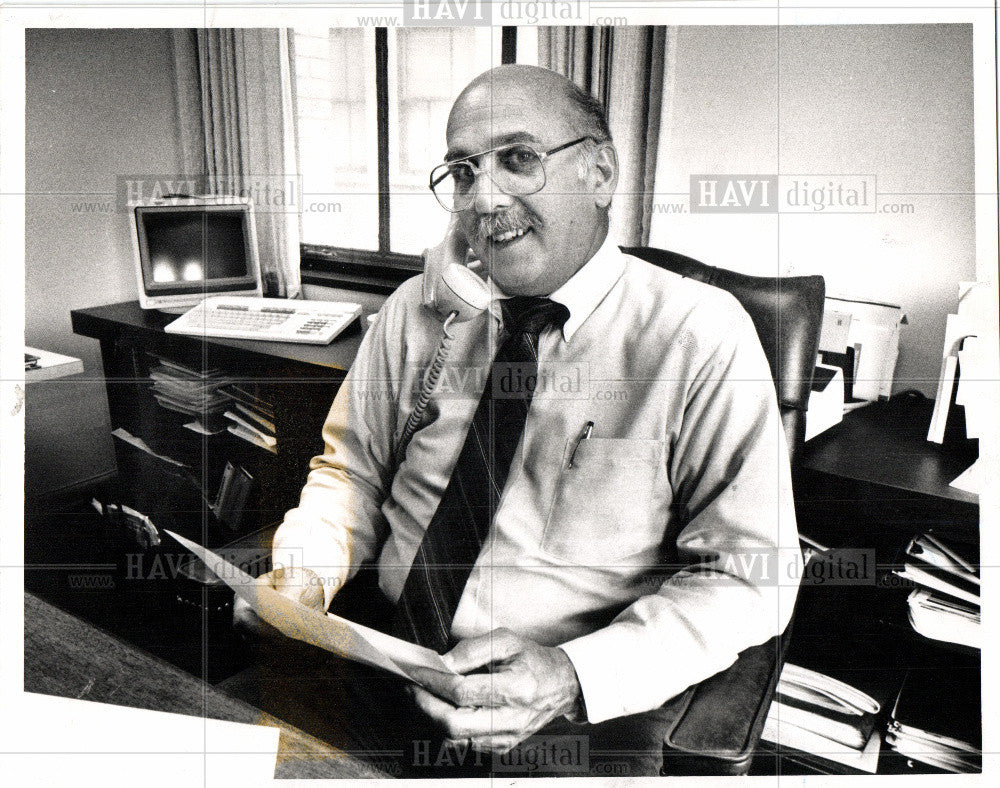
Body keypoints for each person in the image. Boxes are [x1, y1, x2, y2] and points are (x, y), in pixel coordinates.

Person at [236, 64, 801, 777]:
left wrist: (572, 675)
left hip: (562, 707)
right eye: (464, 172)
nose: (486, 197)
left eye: (519, 159)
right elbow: (350, 471)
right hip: (377, 654)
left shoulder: (699, 337)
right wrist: (308, 573)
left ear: (600, 172)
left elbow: (751, 575)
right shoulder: (418, 312)